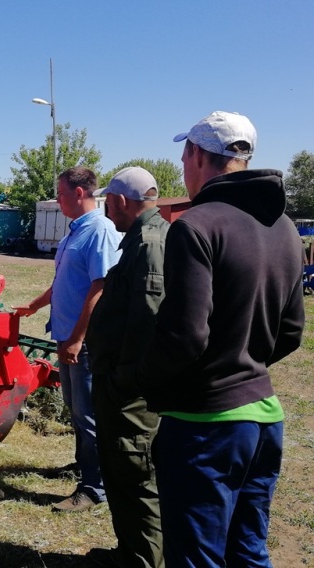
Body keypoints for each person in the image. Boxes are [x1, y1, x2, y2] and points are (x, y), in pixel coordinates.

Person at [108, 111, 305, 567]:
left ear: (197, 155)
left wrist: (140, 381)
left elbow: (185, 336)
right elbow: (291, 331)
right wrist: (242, 366)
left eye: (183, 156)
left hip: (204, 427)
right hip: (264, 422)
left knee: (197, 558)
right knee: (249, 552)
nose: (182, 166)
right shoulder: (286, 229)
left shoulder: (197, 226)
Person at [14, 166, 120, 511]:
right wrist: (34, 305)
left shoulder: (100, 231)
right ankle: (85, 466)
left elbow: (101, 287)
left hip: (83, 341)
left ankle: (95, 488)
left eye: (60, 193)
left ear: (78, 193)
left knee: (89, 414)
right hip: (65, 334)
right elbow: (65, 281)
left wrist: (77, 338)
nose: (57, 199)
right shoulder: (76, 231)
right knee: (75, 409)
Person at [85, 167, 168, 568]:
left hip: (130, 392)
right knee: (120, 470)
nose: (108, 210)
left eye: (109, 202)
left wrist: (123, 380)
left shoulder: (149, 243)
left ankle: (143, 561)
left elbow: (149, 321)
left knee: (136, 477)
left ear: (120, 201)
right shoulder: (137, 239)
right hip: (120, 383)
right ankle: (128, 553)